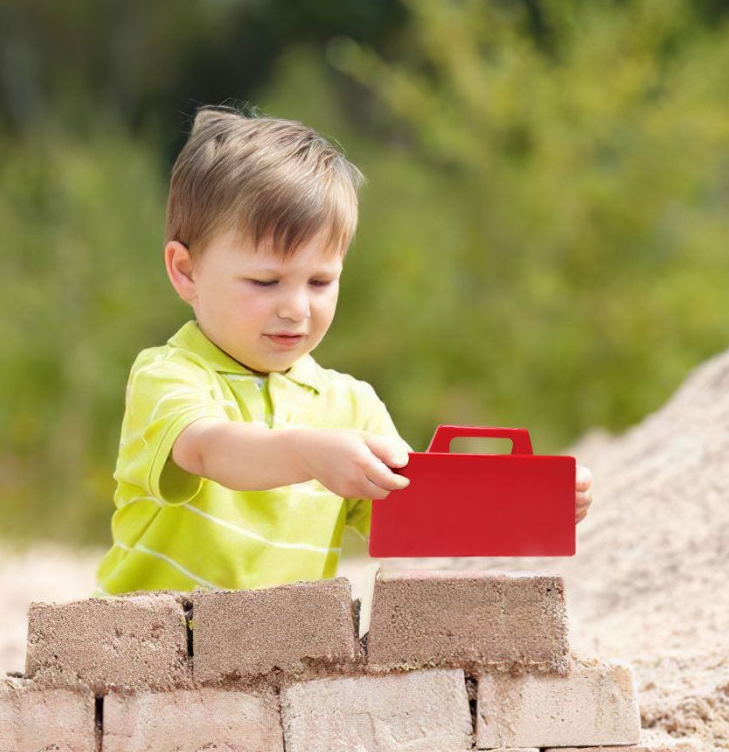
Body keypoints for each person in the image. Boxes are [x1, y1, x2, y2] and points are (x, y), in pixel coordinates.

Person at [93, 105, 593, 595]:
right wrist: (310, 452)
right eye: (265, 281)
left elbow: (414, 521)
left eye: (319, 281)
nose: (295, 308)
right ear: (186, 271)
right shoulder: (169, 374)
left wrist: (525, 504)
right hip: (152, 648)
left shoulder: (350, 406)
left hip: (284, 656)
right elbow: (208, 449)